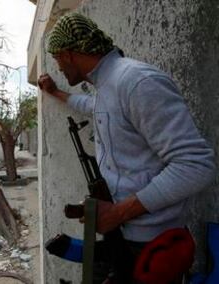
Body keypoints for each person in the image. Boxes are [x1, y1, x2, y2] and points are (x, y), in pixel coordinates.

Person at [38, 12, 216, 283]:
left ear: (68, 54)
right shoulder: (108, 86)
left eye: (56, 59)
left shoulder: (136, 82)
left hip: (149, 245)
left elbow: (196, 165)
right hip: (124, 236)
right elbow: (90, 106)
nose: (58, 67)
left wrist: (117, 213)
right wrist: (55, 92)